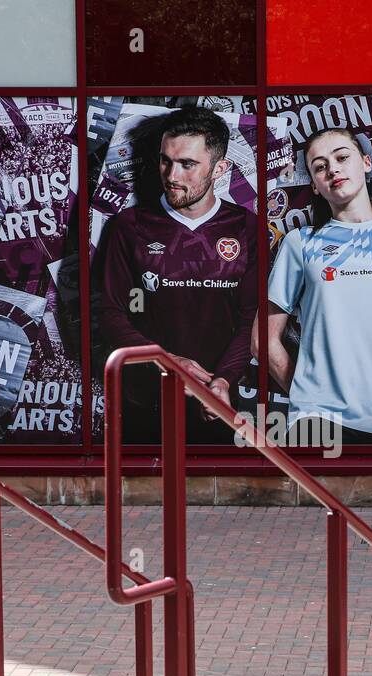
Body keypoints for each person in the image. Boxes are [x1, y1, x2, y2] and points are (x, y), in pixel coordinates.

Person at [264, 127, 372, 446]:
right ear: (315, 186)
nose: (332, 168)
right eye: (319, 166)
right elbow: (263, 340)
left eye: (342, 157)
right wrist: (306, 395)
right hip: (317, 422)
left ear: (366, 163)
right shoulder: (300, 243)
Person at [94, 105, 257, 442]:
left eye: (188, 164)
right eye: (166, 160)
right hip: (144, 404)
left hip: (217, 404)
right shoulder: (130, 226)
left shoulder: (245, 227)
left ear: (220, 168)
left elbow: (251, 319)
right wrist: (165, 361)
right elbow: (109, 314)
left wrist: (223, 380)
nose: (172, 175)